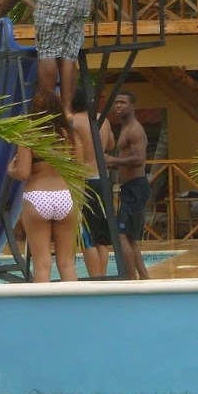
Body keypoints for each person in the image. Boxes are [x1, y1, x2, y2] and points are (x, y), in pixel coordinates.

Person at [8, 90, 78, 284]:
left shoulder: (28, 135)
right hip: (64, 195)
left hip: (37, 196)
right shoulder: (69, 135)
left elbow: (22, 173)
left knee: (42, 264)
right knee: (67, 263)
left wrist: (10, 170)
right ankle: (75, 311)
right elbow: (79, 170)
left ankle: (43, 312)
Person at [69, 81, 114, 279]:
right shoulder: (102, 120)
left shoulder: (72, 122)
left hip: (84, 180)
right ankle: (102, 277)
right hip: (103, 179)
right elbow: (111, 144)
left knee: (88, 236)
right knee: (102, 236)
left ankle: (95, 279)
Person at [104, 90, 151, 280]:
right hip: (129, 188)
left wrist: (112, 159)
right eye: (116, 103)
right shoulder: (124, 129)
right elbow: (124, 159)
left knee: (120, 234)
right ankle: (144, 277)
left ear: (133, 106)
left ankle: (130, 279)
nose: (119, 106)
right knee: (130, 237)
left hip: (136, 188)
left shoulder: (135, 129)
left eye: (123, 102)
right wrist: (109, 162)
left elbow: (139, 160)